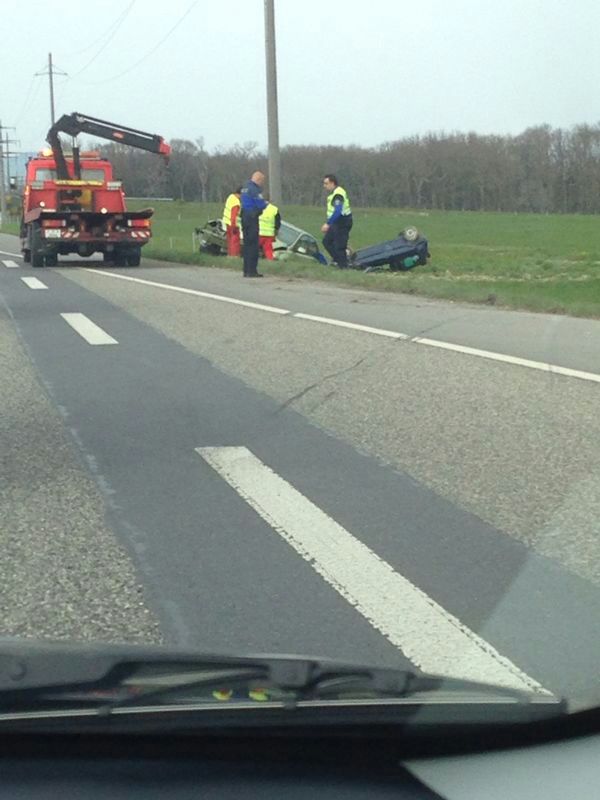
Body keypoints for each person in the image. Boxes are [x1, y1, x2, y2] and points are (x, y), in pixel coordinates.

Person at [321, 174, 353, 268]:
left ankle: (344, 267)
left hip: (342, 222)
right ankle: (338, 261)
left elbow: (338, 211)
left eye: (326, 183)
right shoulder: (334, 193)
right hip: (336, 222)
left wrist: (328, 224)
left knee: (340, 246)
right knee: (327, 242)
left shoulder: (338, 194)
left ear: (332, 183)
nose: (324, 186)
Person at [240, 171, 268, 277]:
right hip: (252, 217)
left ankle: (246, 270)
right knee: (253, 245)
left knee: (246, 244)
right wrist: (265, 204)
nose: (262, 183)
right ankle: (252, 271)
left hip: (244, 216)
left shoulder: (245, 187)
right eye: (262, 181)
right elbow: (260, 204)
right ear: (259, 179)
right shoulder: (254, 189)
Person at [222, 187, 242, 257]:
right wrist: (234, 226)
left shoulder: (230, 197)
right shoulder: (236, 202)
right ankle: (234, 255)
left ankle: (229, 254)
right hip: (233, 224)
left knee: (230, 240)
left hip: (227, 222)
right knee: (235, 241)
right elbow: (233, 215)